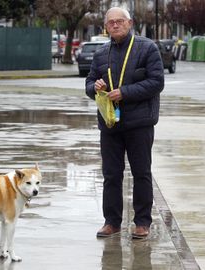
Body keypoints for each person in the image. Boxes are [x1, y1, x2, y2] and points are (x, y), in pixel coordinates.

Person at [85, 6, 164, 239]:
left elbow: (156, 82)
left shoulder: (147, 48)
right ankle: (111, 222)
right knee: (111, 174)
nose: (116, 25)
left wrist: (125, 93)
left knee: (141, 173)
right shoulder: (101, 53)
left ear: (130, 23)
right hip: (110, 124)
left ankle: (142, 223)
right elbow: (89, 84)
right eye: (111, 22)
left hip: (139, 123)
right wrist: (95, 88)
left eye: (120, 21)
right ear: (106, 27)